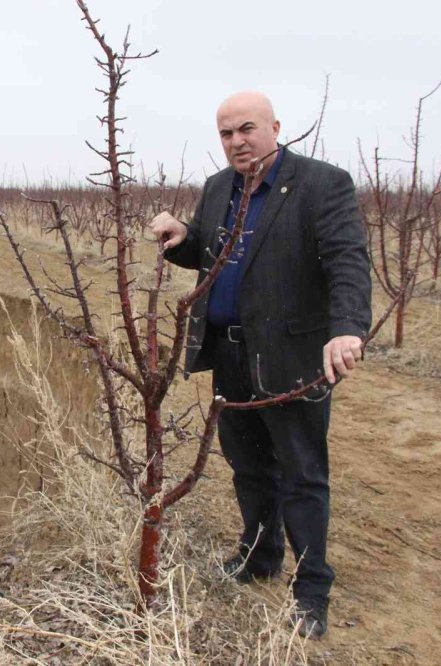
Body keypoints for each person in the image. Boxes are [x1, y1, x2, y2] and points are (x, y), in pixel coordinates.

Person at [149, 91, 372, 639]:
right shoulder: (218, 187)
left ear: (275, 126)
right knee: (247, 467)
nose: (236, 142)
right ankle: (260, 555)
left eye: (246, 128)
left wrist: (347, 326)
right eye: (226, 133)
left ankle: (312, 588)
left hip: (290, 356)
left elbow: (347, 259)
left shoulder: (322, 184)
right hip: (228, 354)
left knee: (302, 474)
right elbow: (211, 254)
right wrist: (183, 238)